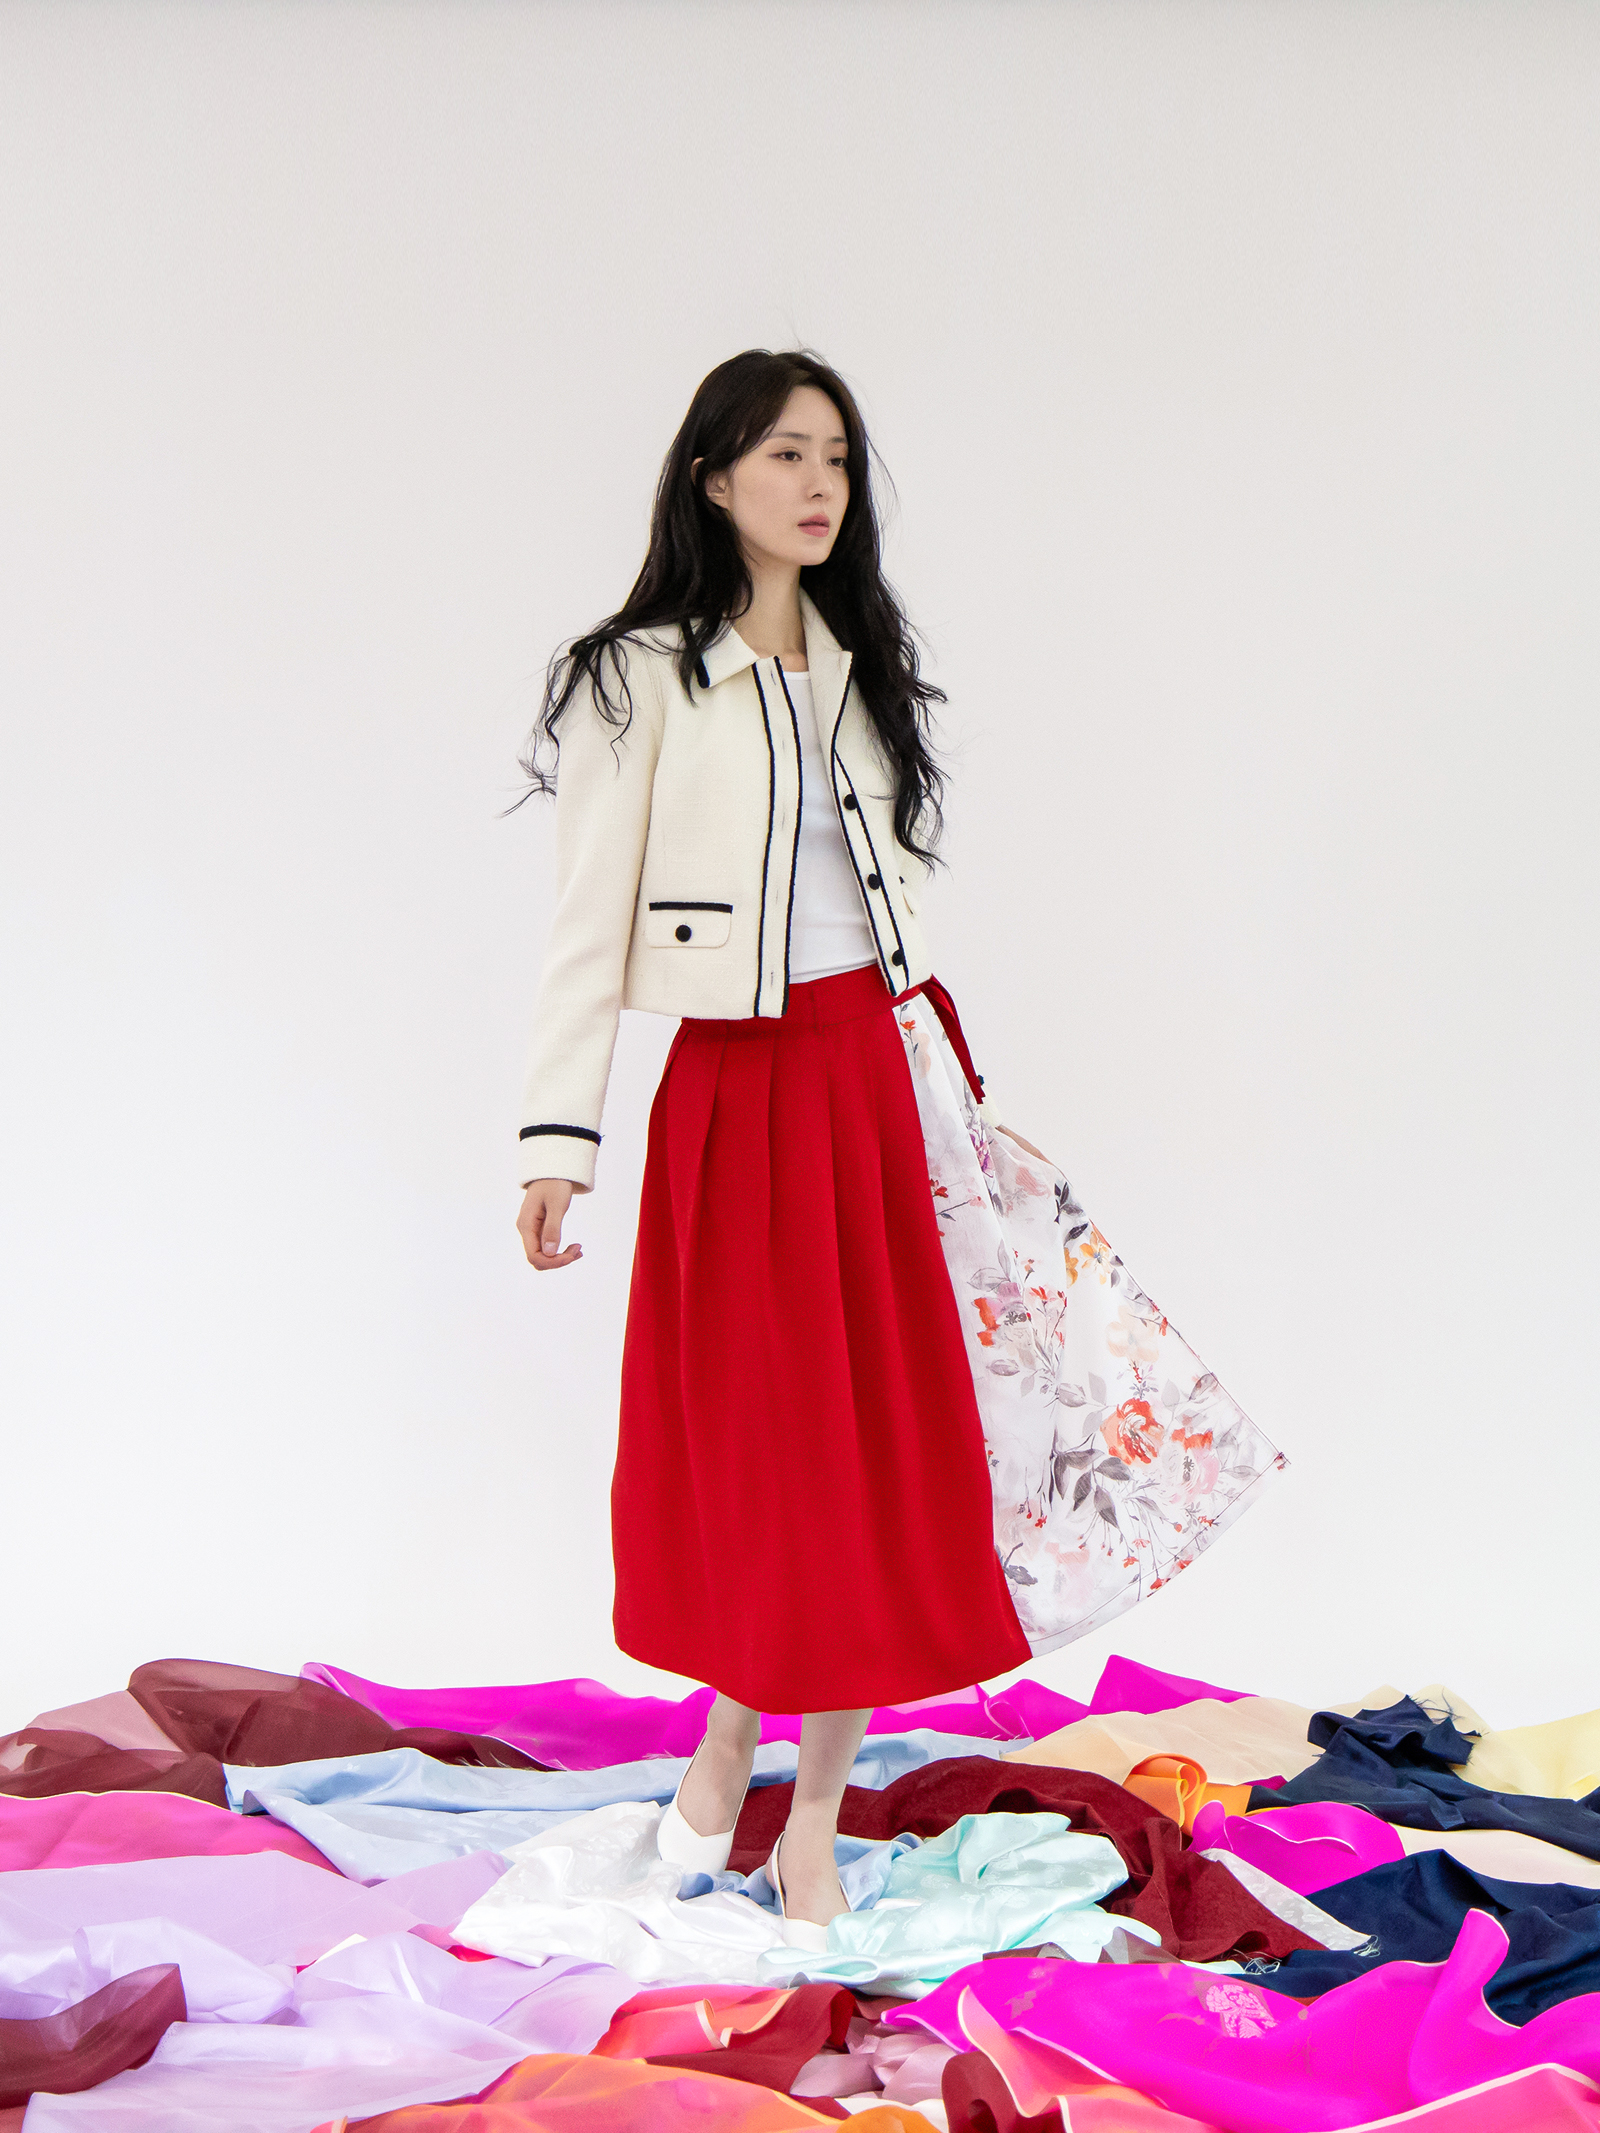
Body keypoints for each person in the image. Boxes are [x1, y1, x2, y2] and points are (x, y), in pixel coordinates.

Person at [513, 349, 1283, 1943]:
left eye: (838, 459)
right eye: (786, 454)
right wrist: (557, 1141)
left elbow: (891, 918)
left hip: (877, 1079)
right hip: (737, 1096)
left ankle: (799, 1818)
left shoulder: (860, 666)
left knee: (874, 1462)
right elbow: (586, 927)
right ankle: (723, 1758)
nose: (819, 486)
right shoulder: (637, 677)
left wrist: (957, 1098)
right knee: (769, 1461)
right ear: (713, 475)